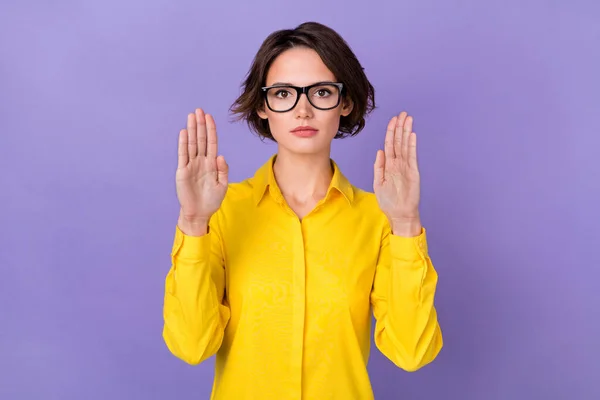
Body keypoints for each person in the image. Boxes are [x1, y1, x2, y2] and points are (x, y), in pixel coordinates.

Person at [162, 21, 443, 400]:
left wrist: (406, 223)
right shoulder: (222, 213)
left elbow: (412, 352)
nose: (303, 110)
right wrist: (194, 223)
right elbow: (191, 346)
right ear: (263, 105)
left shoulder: (380, 220)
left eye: (322, 92)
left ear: (345, 102)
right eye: (283, 94)